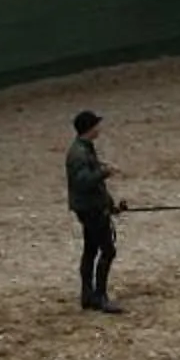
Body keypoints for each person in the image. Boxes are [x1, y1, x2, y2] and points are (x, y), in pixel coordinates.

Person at [64, 108, 127, 314]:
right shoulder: (80, 154)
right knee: (107, 250)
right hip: (91, 209)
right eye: (96, 125)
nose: (99, 128)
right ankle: (100, 297)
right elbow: (84, 182)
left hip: (90, 207)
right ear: (89, 128)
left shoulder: (83, 149)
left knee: (91, 250)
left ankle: (88, 295)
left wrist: (109, 204)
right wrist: (104, 172)